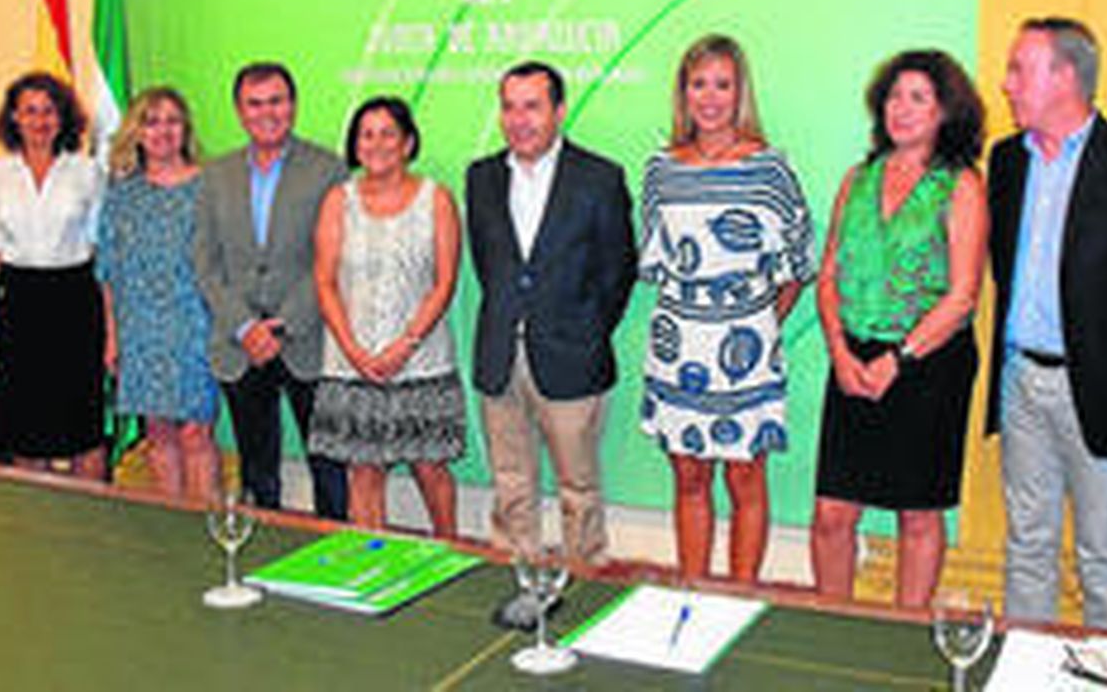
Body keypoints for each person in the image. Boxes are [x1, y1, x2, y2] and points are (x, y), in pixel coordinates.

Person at [986, 17, 1107, 629]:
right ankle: (1025, 667)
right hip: (1020, 381)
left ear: (1066, 77)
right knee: (1028, 544)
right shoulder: (1007, 161)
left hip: (1096, 387)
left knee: (1103, 554)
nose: (1007, 83)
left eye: (1019, 68)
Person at [810, 50, 987, 607]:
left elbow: (962, 297)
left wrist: (899, 360)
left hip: (928, 364)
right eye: (894, 96)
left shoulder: (960, 185)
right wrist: (840, 353)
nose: (901, 109)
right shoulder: (857, 179)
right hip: (854, 357)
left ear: (945, 112)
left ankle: (904, 636)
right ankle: (835, 625)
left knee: (917, 513)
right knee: (832, 513)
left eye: (918, 98)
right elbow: (829, 275)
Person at [637, 34, 815, 583]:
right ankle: (691, 588)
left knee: (744, 482)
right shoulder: (660, 169)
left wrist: (754, 323)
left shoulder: (769, 170)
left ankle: (740, 596)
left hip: (745, 354)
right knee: (689, 479)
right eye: (698, 84)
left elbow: (798, 264)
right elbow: (653, 260)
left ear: (740, 92)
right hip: (677, 346)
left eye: (722, 84)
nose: (709, 98)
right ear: (683, 92)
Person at [465, 60, 637, 625]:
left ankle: (583, 587)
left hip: (571, 356)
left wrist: (584, 330)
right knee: (511, 482)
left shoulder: (599, 177)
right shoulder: (481, 176)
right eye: (509, 106)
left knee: (578, 484)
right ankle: (524, 581)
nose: (519, 119)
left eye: (532, 106)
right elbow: (491, 265)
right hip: (500, 355)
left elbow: (619, 270)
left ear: (559, 111)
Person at [193, 62, 344, 516]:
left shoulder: (328, 169)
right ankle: (264, 554)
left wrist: (282, 325)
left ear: (292, 105)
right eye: (255, 103)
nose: (267, 113)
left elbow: (330, 257)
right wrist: (244, 326)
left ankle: (332, 559)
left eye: (276, 101)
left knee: (328, 465)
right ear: (239, 111)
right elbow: (205, 261)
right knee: (258, 467)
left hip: (305, 338)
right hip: (240, 345)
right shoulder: (215, 175)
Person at [310, 96, 465, 535]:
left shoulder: (436, 200)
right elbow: (324, 281)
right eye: (366, 134)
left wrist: (406, 344)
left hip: (422, 362)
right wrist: (354, 350)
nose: (376, 144)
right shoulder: (338, 201)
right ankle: (370, 562)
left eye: (387, 133)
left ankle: (448, 553)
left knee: (430, 467)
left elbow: (445, 282)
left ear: (407, 142)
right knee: (364, 472)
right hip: (351, 363)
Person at [0, 71, 106, 477]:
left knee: (83, 429)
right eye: (29, 111)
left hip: (74, 302)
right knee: (27, 428)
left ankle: (87, 528)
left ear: (63, 118)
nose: (40, 120)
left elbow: (102, 252)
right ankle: (38, 527)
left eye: (49, 111)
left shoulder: (87, 173)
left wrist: (112, 329)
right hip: (18, 306)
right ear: (13, 118)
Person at [97, 87, 219, 502]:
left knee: (196, 431)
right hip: (141, 327)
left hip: (196, 325)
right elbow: (108, 270)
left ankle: (205, 528)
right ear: (137, 132)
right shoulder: (122, 194)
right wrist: (113, 336)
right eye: (151, 121)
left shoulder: (211, 186)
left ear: (185, 129)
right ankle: (172, 524)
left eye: (172, 120)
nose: (163, 131)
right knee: (159, 432)